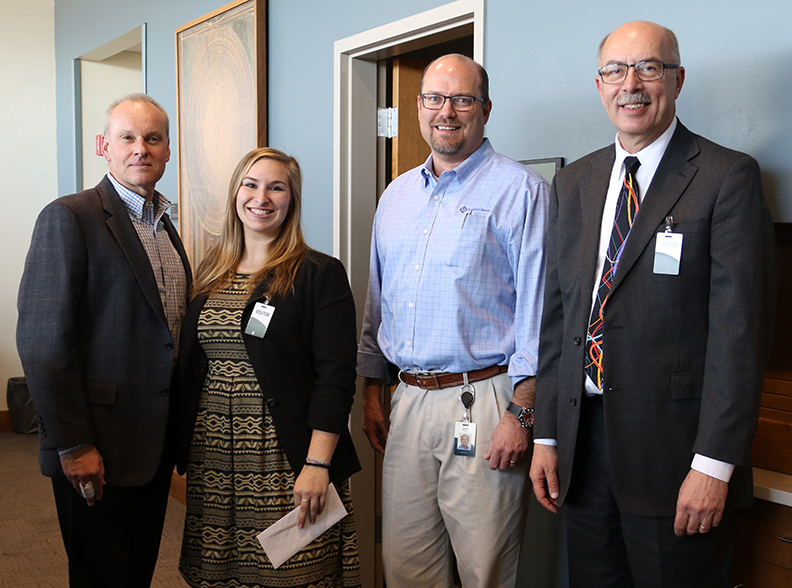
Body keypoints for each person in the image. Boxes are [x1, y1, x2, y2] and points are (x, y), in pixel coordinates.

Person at [529, 21, 776, 588]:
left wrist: (713, 466)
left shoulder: (725, 177)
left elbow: (739, 337)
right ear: (599, 85)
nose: (631, 84)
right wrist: (547, 435)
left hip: (676, 457)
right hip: (582, 451)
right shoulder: (576, 182)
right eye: (615, 70)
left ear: (678, 78)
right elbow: (559, 318)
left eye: (649, 68)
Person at [358, 53, 549, 588]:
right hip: (408, 399)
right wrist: (372, 388)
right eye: (435, 99)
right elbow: (379, 303)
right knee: (406, 565)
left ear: (485, 109)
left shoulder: (521, 192)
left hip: (485, 400)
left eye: (462, 99)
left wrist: (523, 411)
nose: (448, 111)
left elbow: (539, 314)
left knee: (484, 569)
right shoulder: (395, 197)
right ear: (418, 109)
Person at [17, 93, 191, 587]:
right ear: (104, 146)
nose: (141, 148)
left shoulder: (165, 226)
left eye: (153, 138)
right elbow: (43, 344)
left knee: (134, 573)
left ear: (167, 150)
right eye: (128, 137)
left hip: (151, 445)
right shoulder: (70, 217)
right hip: (97, 447)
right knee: (100, 577)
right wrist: (72, 445)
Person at [176, 147, 361, 587]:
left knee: (290, 570)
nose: (262, 197)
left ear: (291, 200)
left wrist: (317, 464)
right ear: (235, 193)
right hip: (214, 455)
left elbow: (336, 377)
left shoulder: (318, 273)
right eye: (251, 184)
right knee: (221, 574)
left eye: (277, 187)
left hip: (283, 456)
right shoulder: (209, 271)